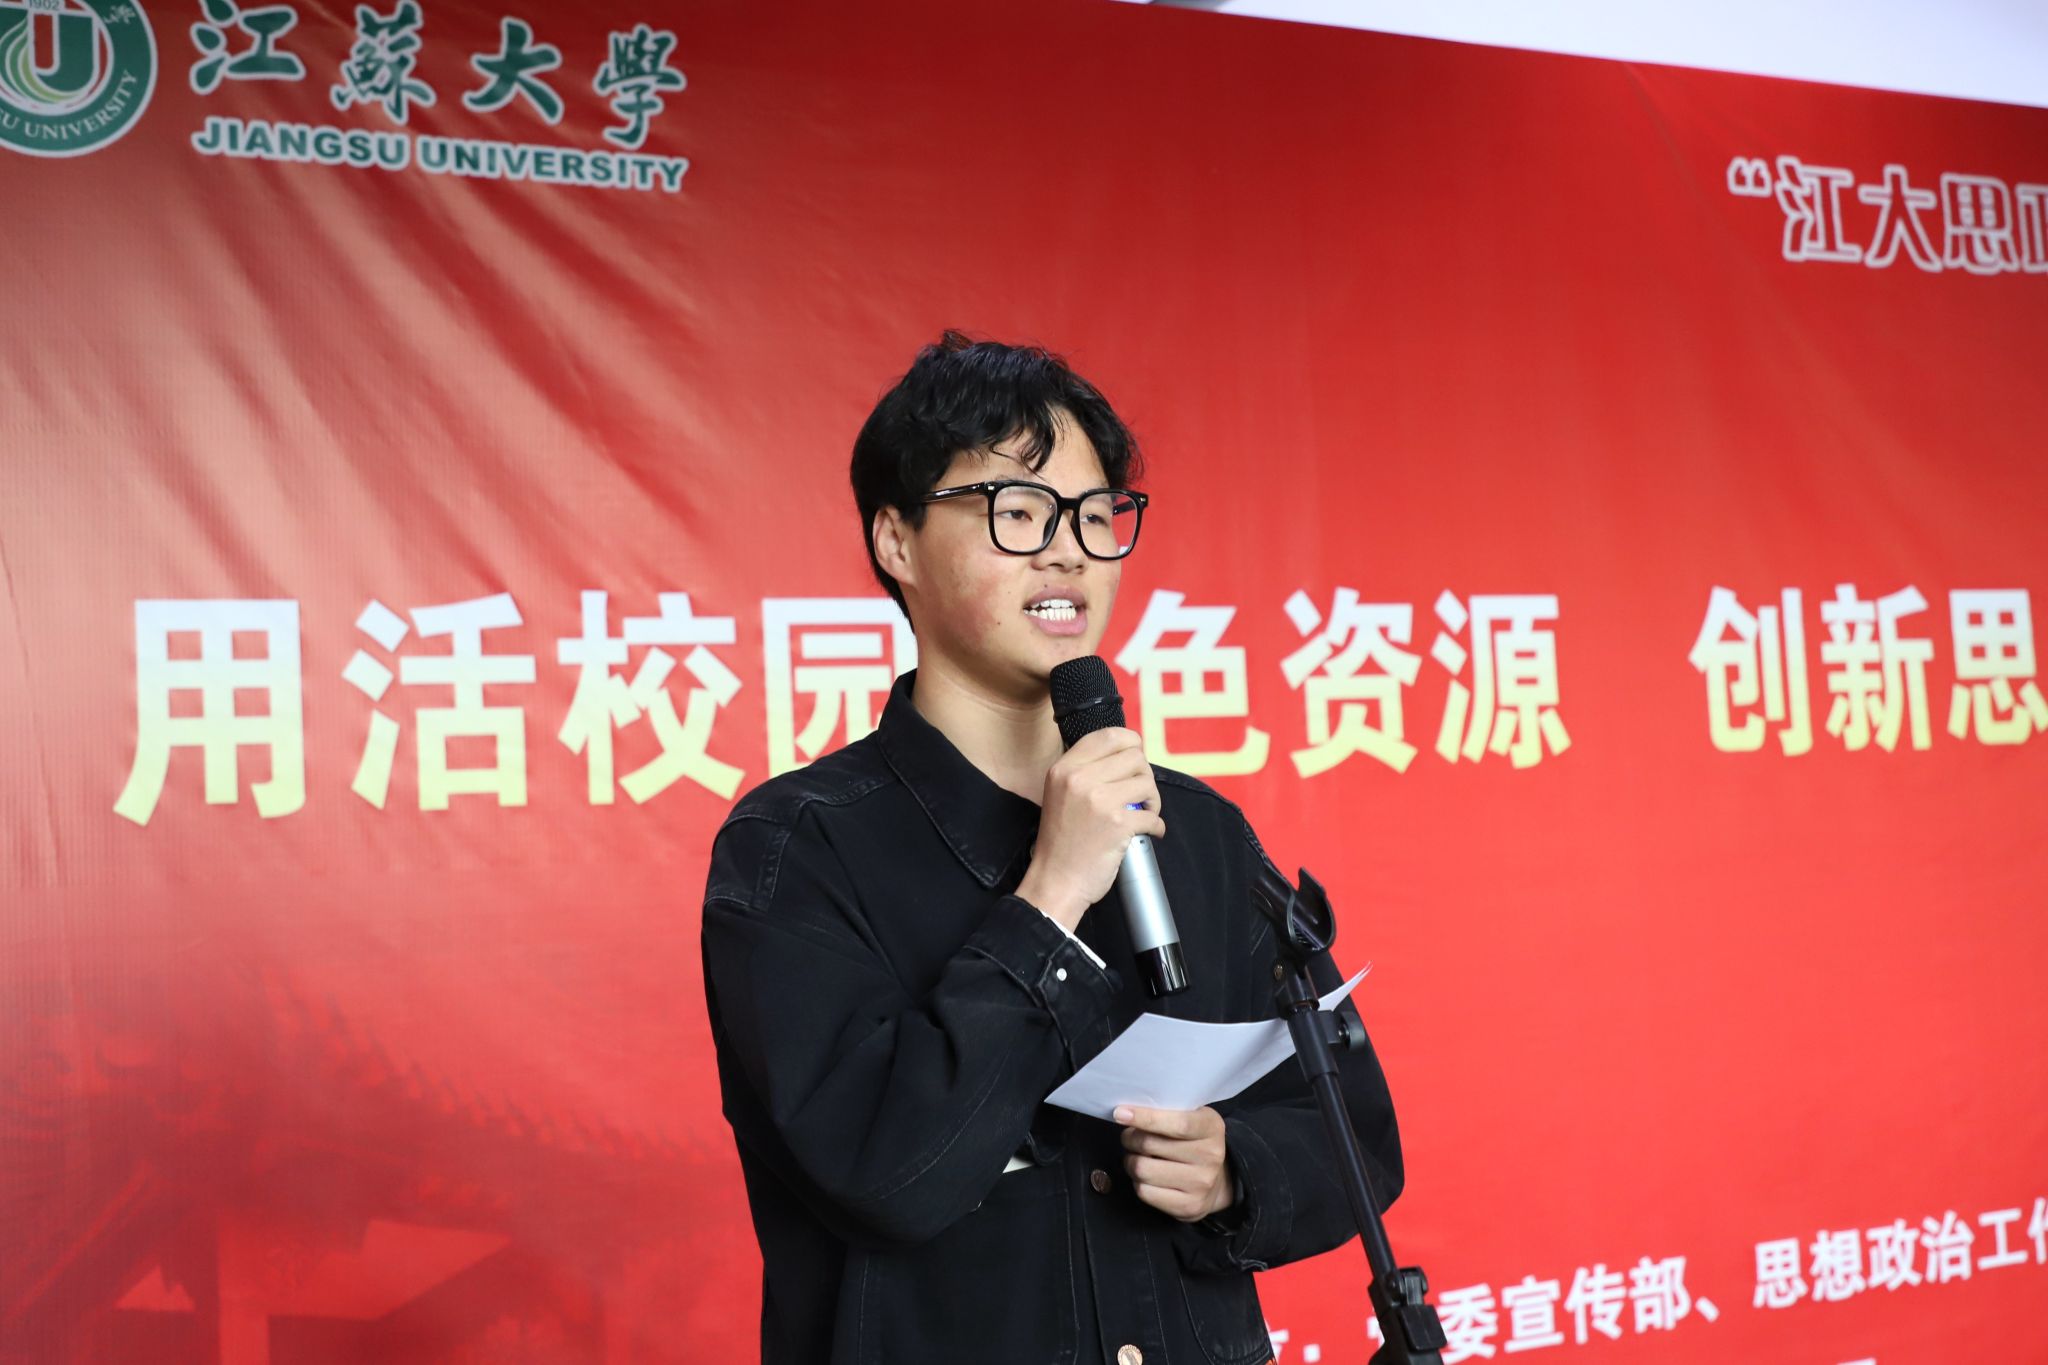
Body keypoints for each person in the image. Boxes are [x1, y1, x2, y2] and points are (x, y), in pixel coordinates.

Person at [700, 331, 1403, 1365]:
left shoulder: (1198, 831)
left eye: (1093, 515)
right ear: (896, 542)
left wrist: (1234, 1168)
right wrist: (1052, 893)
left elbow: (1354, 1130)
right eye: (1018, 512)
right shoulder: (797, 848)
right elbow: (887, 1174)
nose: (1068, 551)